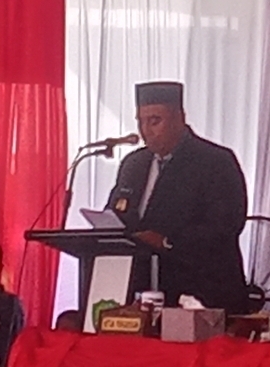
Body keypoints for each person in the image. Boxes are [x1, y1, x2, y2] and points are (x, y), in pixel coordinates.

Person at [106, 81, 249, 313]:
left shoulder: (215, 161)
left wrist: (166, 241)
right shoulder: (134, 164)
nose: (146, 130)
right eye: (141, 121)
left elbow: (226, 224)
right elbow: (117, 211)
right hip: (142, 289)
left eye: (155, 121)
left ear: (180, 118)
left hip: (200, 289)